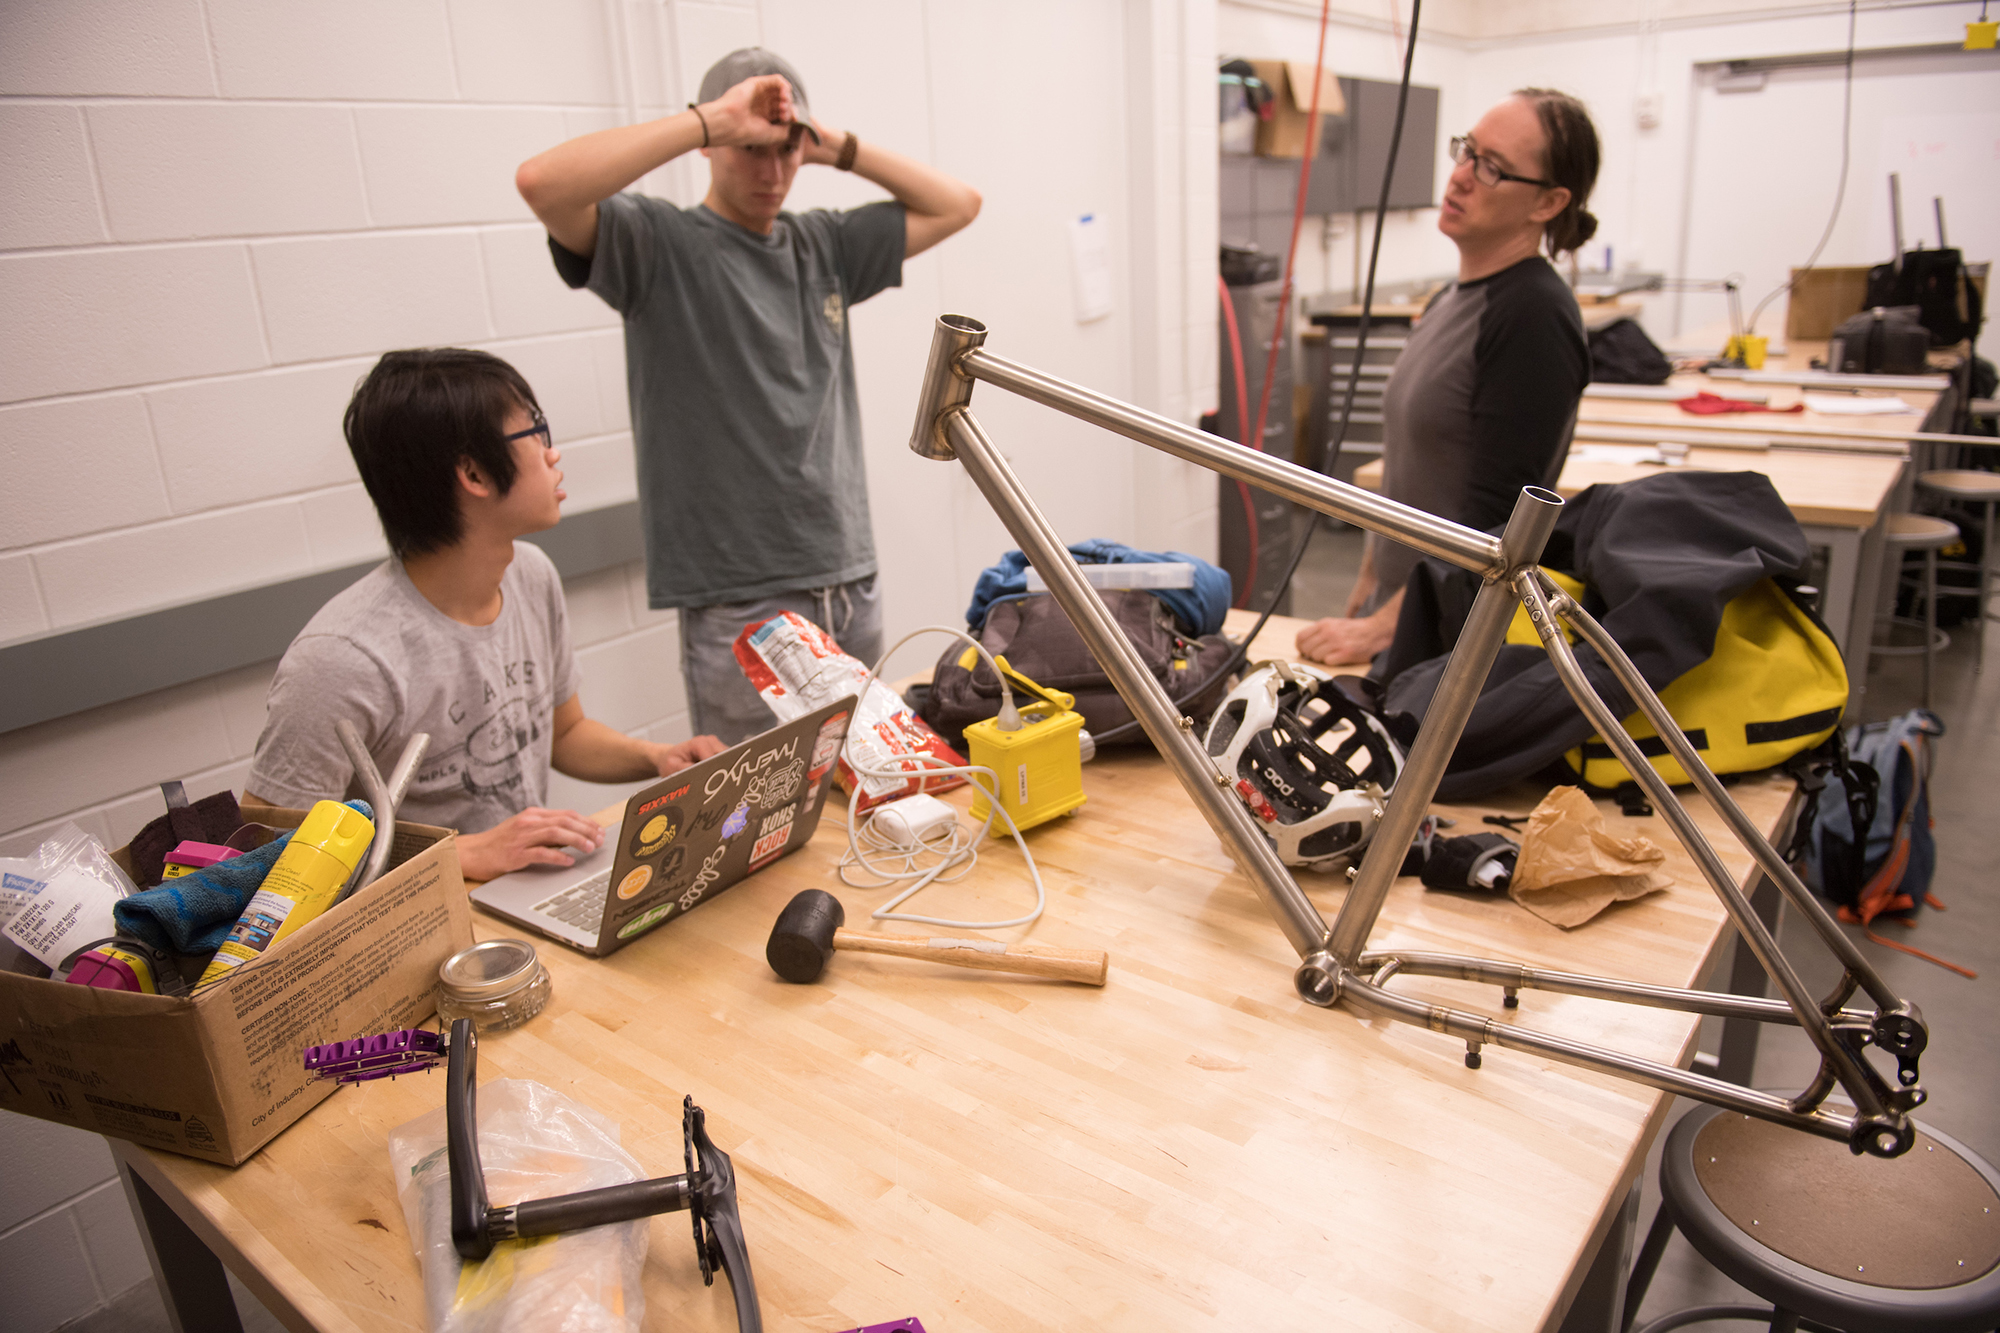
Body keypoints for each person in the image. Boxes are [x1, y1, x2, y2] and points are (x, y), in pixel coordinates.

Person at [515, 48, 982, 743]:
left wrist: (835, 147)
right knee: (759, 824)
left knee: (873, 801)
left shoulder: (821, 242)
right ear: (712, 144)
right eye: (750, 150)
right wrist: (710, 120)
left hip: (848, 579)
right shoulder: (658, 244)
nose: (773, 173)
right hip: (740, 600)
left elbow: (959, 204)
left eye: (786, 151)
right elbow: (542, 184)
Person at [244, 349, 726, 882]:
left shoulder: (529, 575)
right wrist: (461, 854)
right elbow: (269, 854)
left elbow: (564, 734)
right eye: (535, 434)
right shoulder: (341, 661)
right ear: (473, 472)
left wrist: (657, 758)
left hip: (521, 888)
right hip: (419, 920)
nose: (553, 454)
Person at [1298, 88, 1599, 666]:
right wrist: (1369, 584)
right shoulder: (1451, 299)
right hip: (1404, 608)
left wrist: (1386, 628)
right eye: (1467, 152)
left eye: (1493, 169)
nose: (1461, 176)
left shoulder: (1533, 314)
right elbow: (1407, 460)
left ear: (1548, 203)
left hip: (1449, 630)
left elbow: (1499, 522)